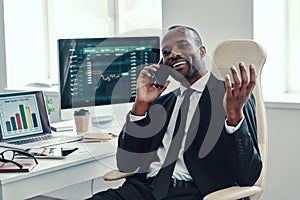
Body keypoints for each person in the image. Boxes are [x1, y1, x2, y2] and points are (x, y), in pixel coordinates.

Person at [88, 25, 262, 200]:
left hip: (197, 193)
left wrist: (234, 118)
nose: (172, 54)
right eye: (166, 52)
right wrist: (139, 107)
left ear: (201, 52)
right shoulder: (161, 103)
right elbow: (126, 163)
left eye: (182, 45)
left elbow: (248, 176)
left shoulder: (230, 97)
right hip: (145, 190)